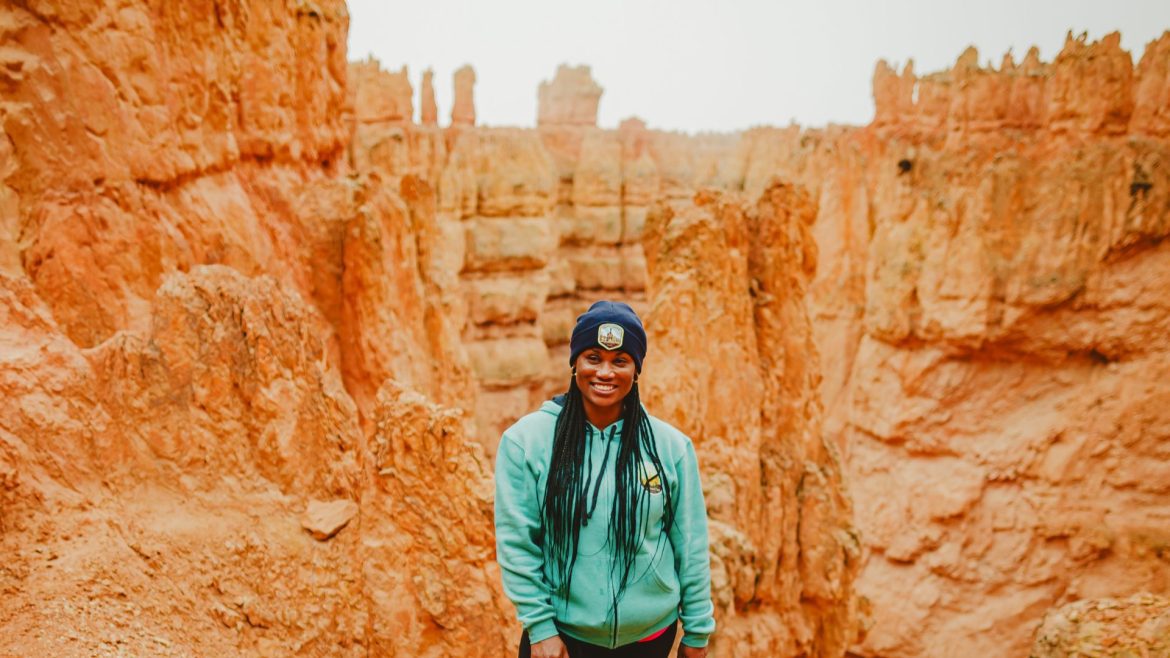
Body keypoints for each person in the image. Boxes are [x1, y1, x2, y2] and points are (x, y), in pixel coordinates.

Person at [495, 301, 715, 658]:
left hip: (648, 640)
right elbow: (517, 543)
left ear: (636, 369)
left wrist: (698, 629)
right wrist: (541, 628)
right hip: (562, 640)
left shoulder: (670, 447)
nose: (605, 372)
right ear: (575, 363)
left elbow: (690, 545)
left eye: (620, 361)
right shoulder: (527, 442)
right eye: (593, 358)